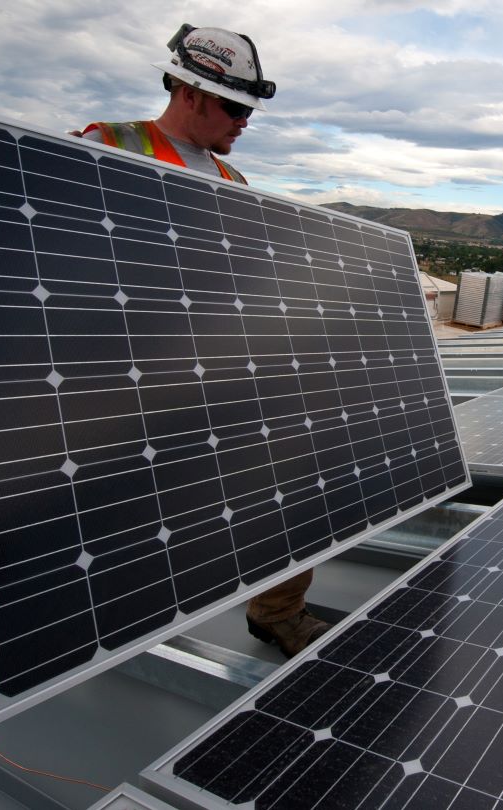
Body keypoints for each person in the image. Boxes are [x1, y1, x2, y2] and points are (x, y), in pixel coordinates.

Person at [81, 25, 329, 658]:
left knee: (292, 473)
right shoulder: (105, 145)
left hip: (212, 367)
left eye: (249, 109)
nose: (245, 121)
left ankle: (278, 609)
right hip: (129, 375)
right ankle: (102, 621)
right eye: (234, 106)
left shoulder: (231, 179)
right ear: (190, 91)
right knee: (131, 510)